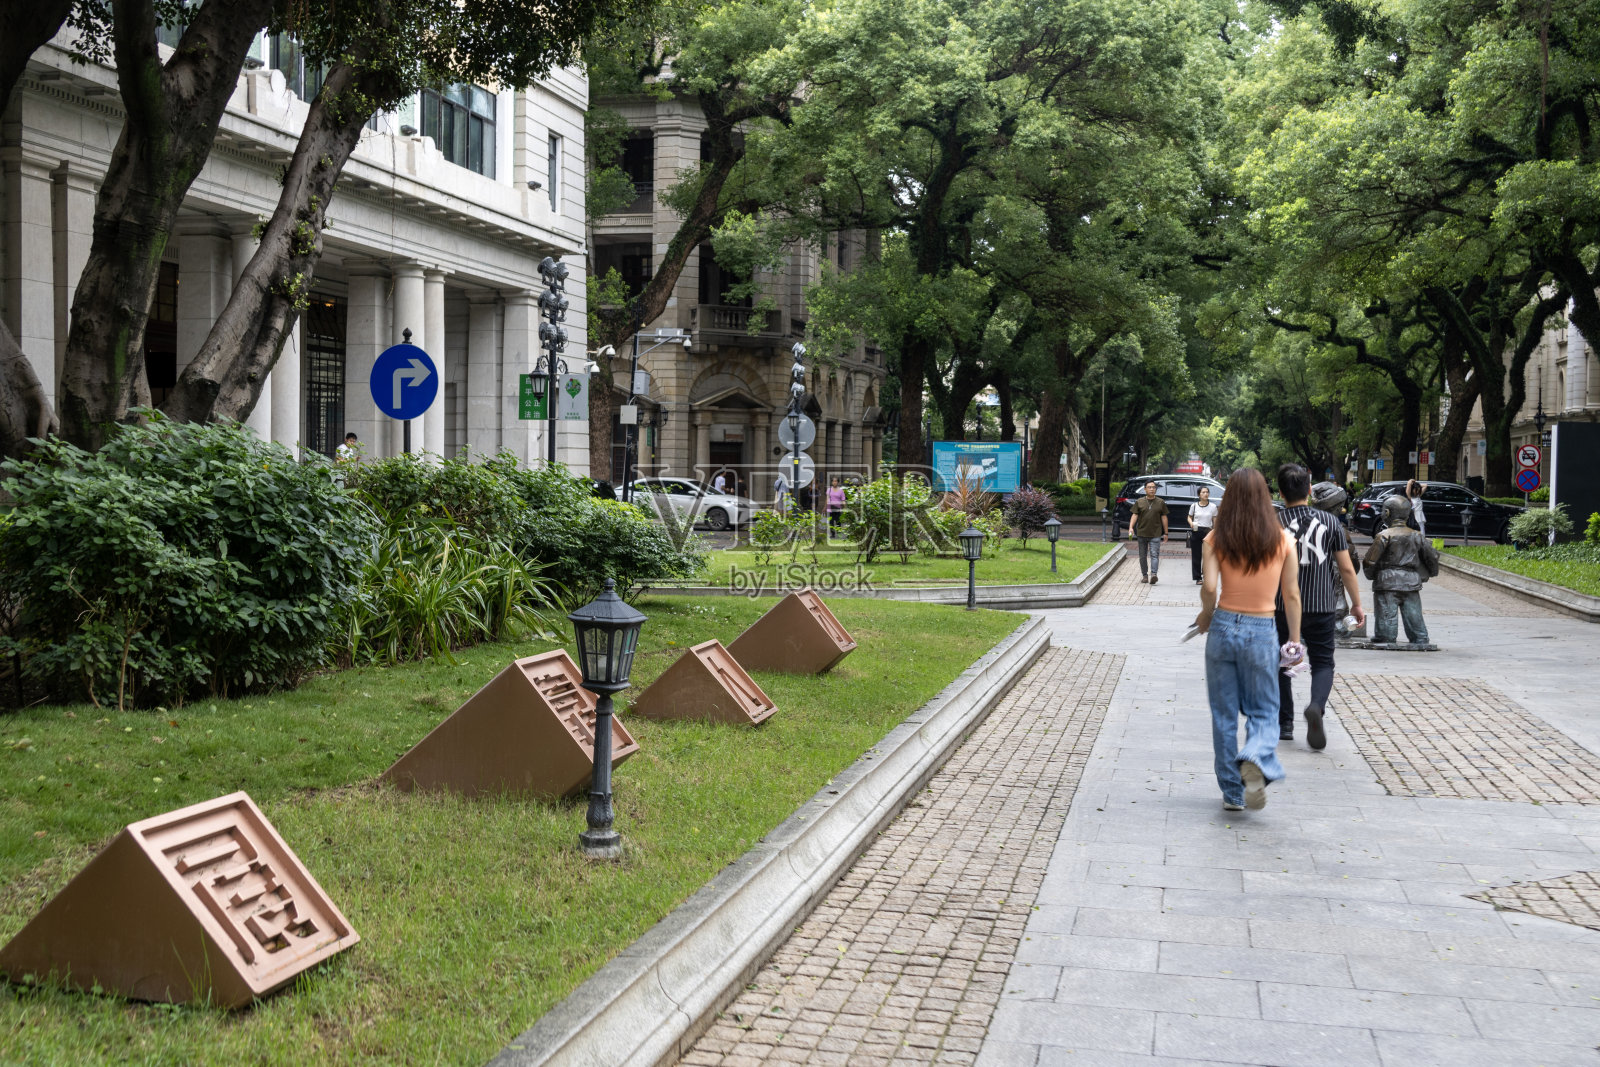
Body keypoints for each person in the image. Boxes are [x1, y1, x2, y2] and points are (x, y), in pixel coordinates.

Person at [1194, 468, 1302, 812]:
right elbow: (1293, 594)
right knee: (1265, 709)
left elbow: (1210, 588)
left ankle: (1232, 793)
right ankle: (1254, 756)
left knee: (1223, 714)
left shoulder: (1215, 538)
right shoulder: (1283, 540)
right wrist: (1295, 642)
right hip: (1261, 628)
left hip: (1223, 624)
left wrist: (1205, 616)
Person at [1274, 465, 1367, 750]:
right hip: (1321, 605)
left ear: (1280, 492)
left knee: (1281, 662)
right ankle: (1316, 706)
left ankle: (1285, 723)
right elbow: (1347, 569)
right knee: (1323, 662)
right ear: (1310, 490)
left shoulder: (1273, 523)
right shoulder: (1330, 522)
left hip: (1280, 606)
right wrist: (1357, 605)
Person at [1364, 494, 1440, 645]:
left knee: (1386, 613)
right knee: (1413, 613)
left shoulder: (1383, 535)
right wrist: (1432, 572)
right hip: (1411, 580)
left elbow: (1369, 561)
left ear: (1386, 513)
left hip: (1386, 581)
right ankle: (1419, 637)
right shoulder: (1417, 535)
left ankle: (1386, 635)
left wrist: (1372, 575)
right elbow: (1432, 557)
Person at [1127, 480, 1169, 585]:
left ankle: (1153, 574)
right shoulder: (1139, 501)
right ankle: (1144, 575)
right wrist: (1131, 527)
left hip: (1156, 533)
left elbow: (1164, 517)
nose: (1152, 489)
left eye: (1153, 487)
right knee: (1142, 555)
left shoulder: (1160, 502)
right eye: (1149, 487)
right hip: (1141, 533)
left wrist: (1166, 533)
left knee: (1154, 555)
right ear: (1145, 489)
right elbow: (1135, 515)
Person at [1187, 486, 1218, 585]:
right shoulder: (1194, 506)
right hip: (1196, 530)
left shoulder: (1213, 506)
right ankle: (1197, 577)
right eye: (1203, 492)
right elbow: (1189, 517)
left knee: (1208, 555)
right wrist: (1191, 523)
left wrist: (1215, 531)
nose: (1205, 494)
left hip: (1208, 531)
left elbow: (1214, 520)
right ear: (1199, 494)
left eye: (1207, 492)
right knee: (1196, 555)